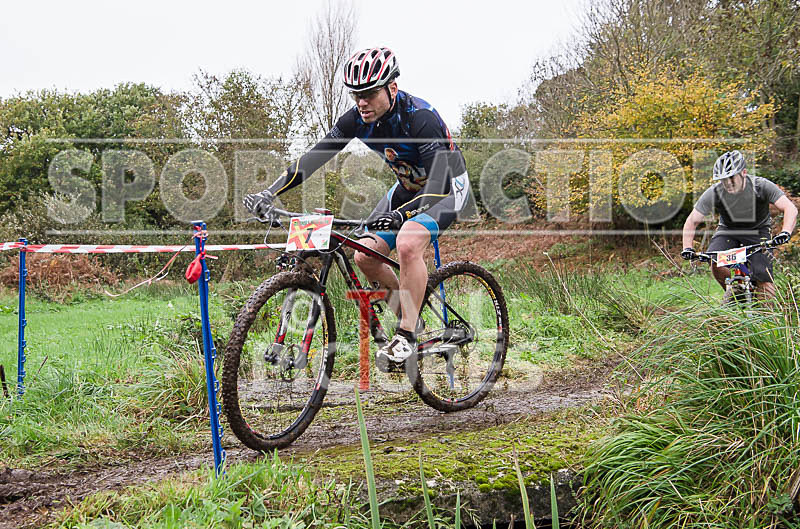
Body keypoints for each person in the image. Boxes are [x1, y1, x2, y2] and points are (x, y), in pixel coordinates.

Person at [243, 46, 470, 370]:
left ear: (392, 87)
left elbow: (436, 187)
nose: (361, 102)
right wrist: (270, 192)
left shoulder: (421, 119)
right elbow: (312, 159)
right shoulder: (356, 119)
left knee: (407, 241)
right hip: (406, 190)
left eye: (369, 93)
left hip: (447, 189)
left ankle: (405, 336)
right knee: (364, 256)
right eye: (355, 95)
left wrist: (403, 215)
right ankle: (413, 320)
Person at [681, 150, 797, 300]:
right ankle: (737, 294)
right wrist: (687, 248)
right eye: (723, 180)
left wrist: (785, 232)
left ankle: (766, 318)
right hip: (728, 231)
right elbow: (692, 221)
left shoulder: (761, 186)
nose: (728, 183)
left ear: (743, 172)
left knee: (764, 279)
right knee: (715, 260)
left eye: (731, 178)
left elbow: (790, 208)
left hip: (758, 231)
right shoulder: (715, 192)